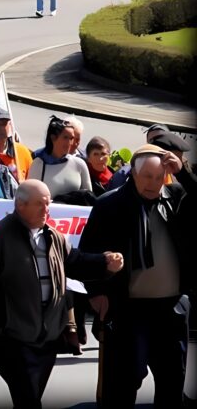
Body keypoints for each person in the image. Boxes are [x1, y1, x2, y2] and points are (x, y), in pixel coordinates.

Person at [0, 180, 122, 408]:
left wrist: (104, 263)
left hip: (47, 335)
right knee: (28, 398)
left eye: (48, 203)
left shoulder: (53, 236)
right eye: (39, 205)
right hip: (11, 335)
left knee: (32, 396)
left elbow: (75, 262)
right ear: (20, 205)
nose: (46, 210)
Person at [79, 145, 193, 407]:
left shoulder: (175, 197)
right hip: (128, 310)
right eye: (147, 177)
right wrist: (95, 293)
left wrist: (183, 174)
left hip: (172, 307)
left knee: (172, 383)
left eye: (159, 177)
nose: (153, 184)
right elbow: (87, 254)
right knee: (122, 386)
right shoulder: (110, 205)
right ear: (133, 175)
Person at [27, 116, 93, 199]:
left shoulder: (80, 164)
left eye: (71, 138)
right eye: (65, 138)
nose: (70, 143)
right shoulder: (38, 164)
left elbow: (88, 199)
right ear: (53, 138)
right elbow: (30, 198)